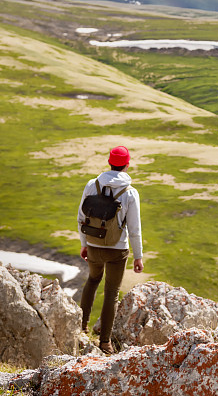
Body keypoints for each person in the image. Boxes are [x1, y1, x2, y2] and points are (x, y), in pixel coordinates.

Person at [77, 145, 143, 354]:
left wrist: (84, 243)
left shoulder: (92, 184)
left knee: (92, 280)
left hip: (94, 244)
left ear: (109, 162)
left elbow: (80, 218)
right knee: (111, 293)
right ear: (127, 164)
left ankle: (81, 326)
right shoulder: (130, 193)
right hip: (117, 250)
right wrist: (138, 256)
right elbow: (134, 229)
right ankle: (104, 343)